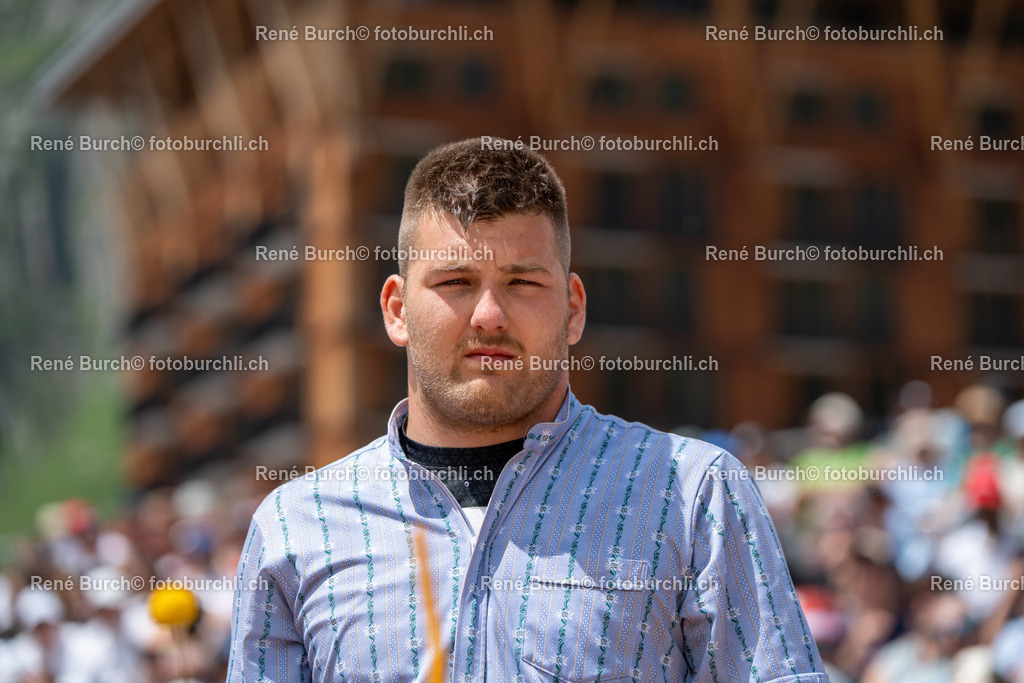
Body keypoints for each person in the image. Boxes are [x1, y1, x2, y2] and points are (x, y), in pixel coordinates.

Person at [228, 138, 828, 682]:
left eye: (522, 283)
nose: (489, 314)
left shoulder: (694, 494)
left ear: (572, 310)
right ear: (396, 310)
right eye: (456, 281)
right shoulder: (294, 528)